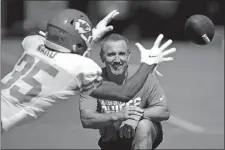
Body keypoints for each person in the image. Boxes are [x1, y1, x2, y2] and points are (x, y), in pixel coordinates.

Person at [1, 9, 175, 133]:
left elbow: (59, 43)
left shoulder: (32, 42)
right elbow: (125, 93)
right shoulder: (80, 67)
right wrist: (148, 63)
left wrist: (86, 37)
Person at [80, 33, 171, 150]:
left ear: (128, 56)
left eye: (122, 54)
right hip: (112, 140)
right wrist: (118, 116)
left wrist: (136, 116)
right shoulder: (92, 80)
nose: (117, 60)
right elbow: (86, 119)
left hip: (141, 132)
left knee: (144, 125)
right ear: (102, 57)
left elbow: (164, 112)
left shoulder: (143, 76)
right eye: (111, 54)